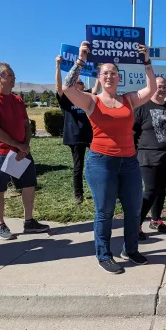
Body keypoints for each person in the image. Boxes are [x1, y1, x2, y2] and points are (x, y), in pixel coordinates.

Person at [62, 41, 156, 274]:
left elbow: (151, 88)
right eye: (105, 73)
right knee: (105, 210)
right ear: (99, 77)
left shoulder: (128, 100)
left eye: (114, 73)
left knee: (133, 209)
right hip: (101, 162)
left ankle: (130, 249)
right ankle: (104, 254)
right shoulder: (91, 100)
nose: (110, 76)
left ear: (119, 78)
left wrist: (147, 61)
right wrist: (81, 59)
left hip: (129, 162)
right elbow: (66, 88)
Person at [0, 63, 50, 240]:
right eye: (8, 75)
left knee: (29, 185)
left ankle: (29, 221)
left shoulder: (17, 100)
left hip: (22, 152)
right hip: (0, 153)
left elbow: (27, 124)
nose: (13, 78)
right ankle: (0, 224)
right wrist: (19, 146)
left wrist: (25, 145)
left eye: (13, 75)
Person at [133, 76, 166, 240]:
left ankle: (156, 220)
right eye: (158, 86)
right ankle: (135, 226)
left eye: (164, 86)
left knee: (161, 190)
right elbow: (132, 133)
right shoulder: (142, 108)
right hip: (149, 157)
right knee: (150, 191)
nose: (161, 89)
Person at [55, 56, 99, 205]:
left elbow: (97, 88)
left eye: (80, 82)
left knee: (97, 164)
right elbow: (59, 86)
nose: (79, 83)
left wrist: (98, 70)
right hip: (74, 137)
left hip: (91, 136)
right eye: (77, 81)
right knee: (78, 167)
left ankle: (99, 191)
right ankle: (78, 195)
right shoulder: (66, 99)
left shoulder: (87, 96)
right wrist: (57, 66)